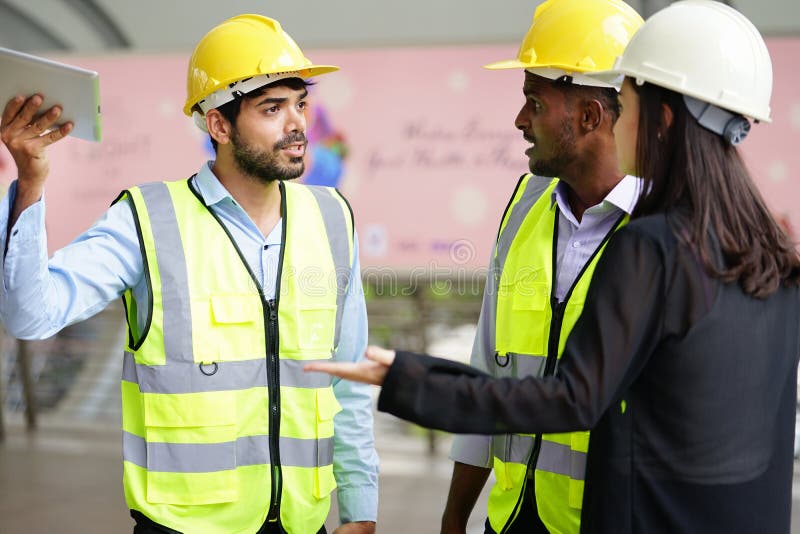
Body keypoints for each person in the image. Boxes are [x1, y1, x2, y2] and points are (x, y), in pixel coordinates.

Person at [307, 1, 800, 532]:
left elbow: (574, 398)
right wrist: (456, 516)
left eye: (626, 104)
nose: (618, 121)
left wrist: (407, 377)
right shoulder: (773, 259)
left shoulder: (651, 246)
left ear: (649, 119)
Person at [0, 14, 378, 534]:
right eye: (272, 108)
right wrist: (30, 183)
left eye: (300, 104)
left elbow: (350, 380)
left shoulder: (333, 218)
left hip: (300, 524)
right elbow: (29, 316)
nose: (297, 125)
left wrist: (360, 507)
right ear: (219, 125)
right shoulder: (145, 221)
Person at [436, 1, 644, 532]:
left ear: (590, 116)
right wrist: (456, 517)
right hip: (507, 522)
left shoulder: (663, 231)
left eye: (534, 101)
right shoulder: (526, 204)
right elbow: (487, 370)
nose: (519, 120)